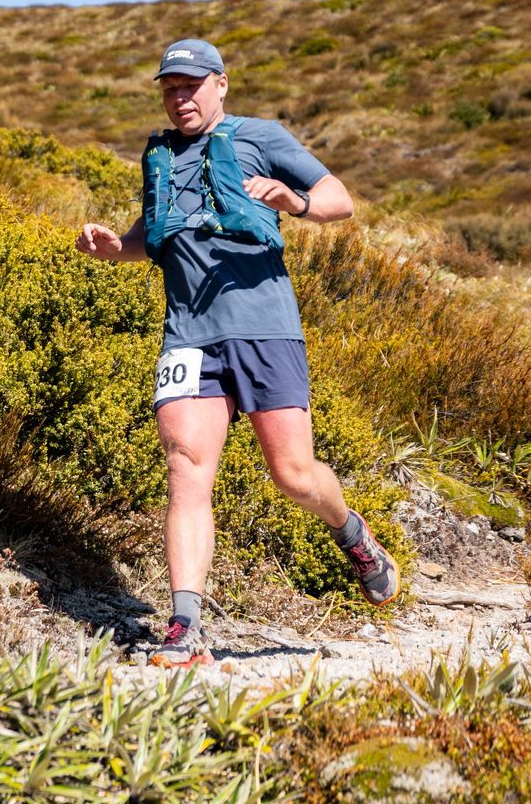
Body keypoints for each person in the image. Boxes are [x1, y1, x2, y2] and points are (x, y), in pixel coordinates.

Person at [74, 37, 399, 669]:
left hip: (265, 329)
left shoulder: (263, 136)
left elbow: (342, 201)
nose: (179, 97)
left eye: (191, 85)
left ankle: (353, 534)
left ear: (221, 84)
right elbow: (157, 232)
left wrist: (294, 201)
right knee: (186, 469)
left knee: (293, 475)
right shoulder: (160, 154)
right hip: (188, 334)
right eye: (169, 87)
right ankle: (185, 623)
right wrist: (116, 247)